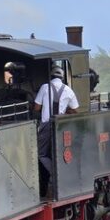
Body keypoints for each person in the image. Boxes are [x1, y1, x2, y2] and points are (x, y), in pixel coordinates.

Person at [33, 66, 79, 197]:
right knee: (59, 154)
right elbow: (75, 110)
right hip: (61, 126)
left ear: (51, 76)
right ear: (62, 77)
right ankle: (59, 173)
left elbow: (36, 107)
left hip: (46, 125)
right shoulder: (69, 90)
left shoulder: (44, 87)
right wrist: (65, 111)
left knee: (41, 154)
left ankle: (55, 173)